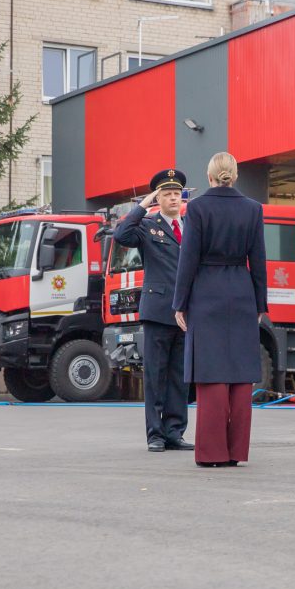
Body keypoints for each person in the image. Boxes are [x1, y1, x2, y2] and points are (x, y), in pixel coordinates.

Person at [173, 152, 267, 467]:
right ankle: (236, 451)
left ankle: (212, 453)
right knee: (241, 374)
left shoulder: (197, 208)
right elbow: (260, 261)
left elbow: (188, 259)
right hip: (241, 291)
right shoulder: (253, 209)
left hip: (206, 292)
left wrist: (180, 302)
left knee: (211, 372)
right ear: (235, 176)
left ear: (210, 176)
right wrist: (259, 303)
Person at [113, 169, 194, 453]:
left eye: (176, 194)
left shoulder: (190, 226)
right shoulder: (148, 225)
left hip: (186, 312)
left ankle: (174, 432)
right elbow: (121, 234)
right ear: (158, 198)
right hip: (159, 309)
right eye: (167, 194)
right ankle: (155, 435)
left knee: (179, 377)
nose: (173, 198)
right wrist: (142, 205)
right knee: (155, 376)